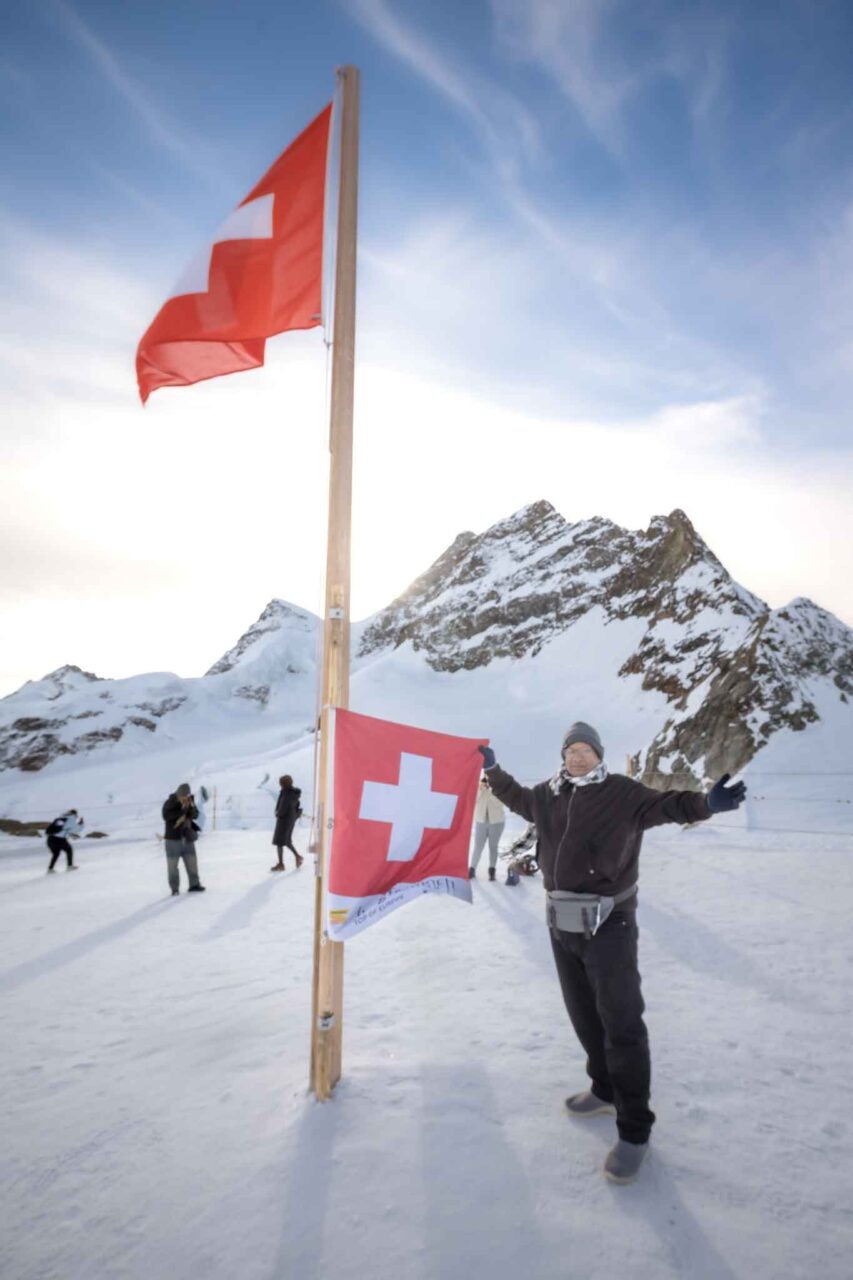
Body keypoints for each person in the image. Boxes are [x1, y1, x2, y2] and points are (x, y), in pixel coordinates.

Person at [478, 721, 746, 1185]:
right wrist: (495, 771)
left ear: (599, 754)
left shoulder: (623, 794)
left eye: (585, 750)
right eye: (571, 750)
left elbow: (669, 805)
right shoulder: (549, 793)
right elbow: (520, 800)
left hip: (609, 925)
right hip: (561, 923)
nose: (577, 757)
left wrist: (706, 804)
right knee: (584, 1015)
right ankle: (604, 1089)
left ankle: (635, 1131)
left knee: (621, 1023)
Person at [162, 784, 206, 896]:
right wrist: (183, 809)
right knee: (172, 866)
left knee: (192, 862)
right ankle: (175, 889)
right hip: (172, 840)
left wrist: (191, 808)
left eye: (187, 796)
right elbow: (166, 816)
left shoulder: (189, 801)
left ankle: (194, 885)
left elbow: (195, 815)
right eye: (183, 797)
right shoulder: (170, 802)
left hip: (187, 838)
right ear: (178, 794)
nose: (185, 799)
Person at [469, 775, 506, 881]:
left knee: (493, 847)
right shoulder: (479, 787)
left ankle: (492, 870)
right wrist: (482, 789)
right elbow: (474, 799)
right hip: (481, 821)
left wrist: (491, 790)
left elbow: (499, 804)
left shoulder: (499, 788)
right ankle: (472, 869)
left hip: (496, 822)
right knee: (478, 846)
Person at [271, 775, 303, 871]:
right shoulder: (294, 793)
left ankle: (281, 864)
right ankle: (297, 856)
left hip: (284, 820)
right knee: (286, 841)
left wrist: (278, 813)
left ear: (283, 784)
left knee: (280, 842)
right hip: (290, 819)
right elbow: (296, 805)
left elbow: (282, 808)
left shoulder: (286, 793)